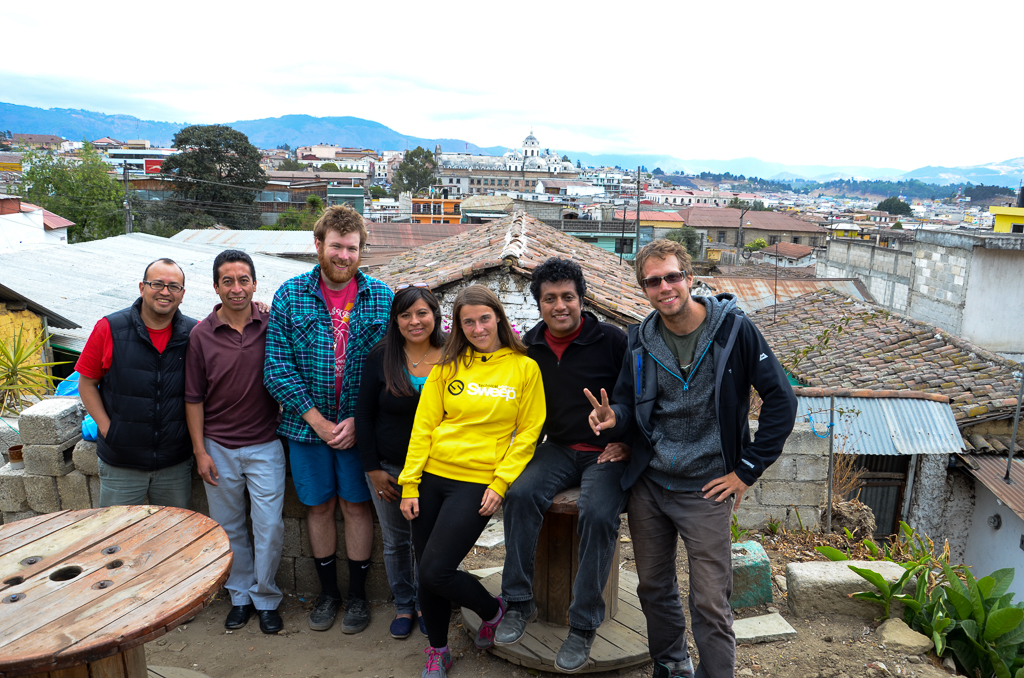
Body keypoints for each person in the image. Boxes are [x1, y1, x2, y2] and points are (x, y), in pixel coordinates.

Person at [586, 240, 797, 678]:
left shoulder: (735, 330)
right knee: (653, 586)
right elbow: (628, 403)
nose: (664, 287)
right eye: (653, 281)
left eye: (672, 277)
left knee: (710, 600)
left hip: (707, 487)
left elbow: (781, 399)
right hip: (651, 485)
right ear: (643, 288)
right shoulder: (641, 340)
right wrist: (614, 419)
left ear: (689, 277)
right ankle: (671, 663)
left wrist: (746, 471)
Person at [398, 285, 546, 678]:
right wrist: (410, 484)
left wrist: (500, 482)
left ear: (498, 317)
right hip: (431, 477)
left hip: (476, 482)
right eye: (468, 322)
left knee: (435, 570)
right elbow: (423, 427)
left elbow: (529, 433)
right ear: (458, 327)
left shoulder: (524, 368)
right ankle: (438, 650)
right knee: (427, 570)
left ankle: (492, 610)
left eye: (484, 319)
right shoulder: (447, 367)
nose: (478, 328)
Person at [495, 258, 631, 672]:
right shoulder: (530, 347)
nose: (559, 306)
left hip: (607, 452)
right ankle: (518, 602)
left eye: (567, 297)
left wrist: (622, 431)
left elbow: (637, 398)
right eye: (549, 298)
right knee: (520, 495)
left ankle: (584, 624)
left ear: (581, 299)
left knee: (599, 513)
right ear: (538, 304)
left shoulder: (613, 341)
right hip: (557, 448)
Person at [264, 205, 394, 634]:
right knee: (318, 507)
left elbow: (390, 366)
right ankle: (328, 594)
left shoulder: (381, 297)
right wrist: (318, 421)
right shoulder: (290, 295)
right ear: (318, 245)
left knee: (357, 506)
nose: (343, 255)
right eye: (336, 246)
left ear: (361, 250)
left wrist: (359, 418)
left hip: (361, 430)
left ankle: (357, 595)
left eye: (352, 248)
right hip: (305, 429)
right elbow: (277, 368)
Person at [184, 250, 285, 634]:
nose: (237, 288)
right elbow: (193, 398)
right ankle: (240, 596)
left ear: (255, 284)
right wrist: (200, 451)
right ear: (216, 286)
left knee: (269, 526)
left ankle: (266, 597)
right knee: (229, 528)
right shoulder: (201, 335)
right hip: (218, 447)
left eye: (244, 280)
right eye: (228, 281)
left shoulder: (272, 325)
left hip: (265, 444)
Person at [354, 284, 445, 640]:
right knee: (395, 541)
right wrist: (373, 469)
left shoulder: (453, 354)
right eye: (405, 315)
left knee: (430, 541)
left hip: (438, 469)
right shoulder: (382, 356)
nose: (414, 321)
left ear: (435, 314)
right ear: (395, 320)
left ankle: (427, 604)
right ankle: (404, 605)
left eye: (422, 313)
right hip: (389, 468)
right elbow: (364, 415)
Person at [77, 258, 196, 508]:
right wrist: (110, 430)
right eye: (157, 284)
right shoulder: (110, 328)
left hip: (174, 463)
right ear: (142, 288)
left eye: (174, 286)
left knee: (173, 529)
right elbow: (87, 384)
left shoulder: (193, 333)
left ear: (182, 294)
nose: (165, 292)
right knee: (117, 530)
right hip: (121, 461)